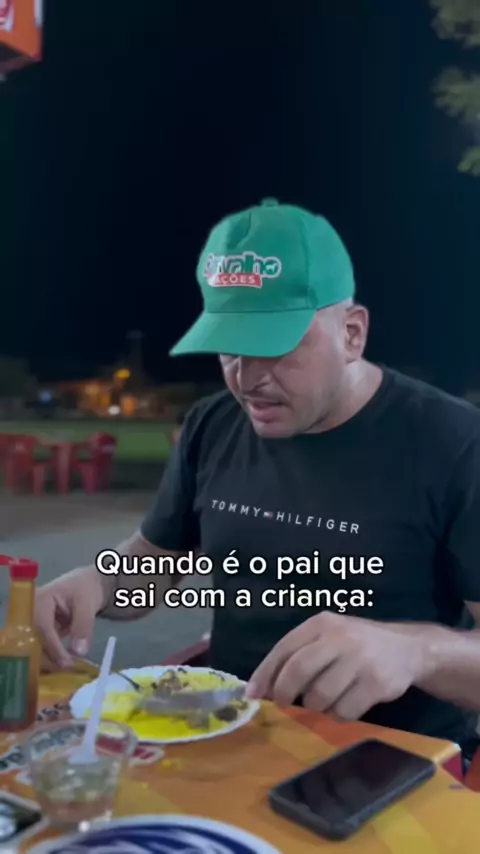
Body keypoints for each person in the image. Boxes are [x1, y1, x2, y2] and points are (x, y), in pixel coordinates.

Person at [36, 198, 480, 764]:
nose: (246, 379)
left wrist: (417, 652)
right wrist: (97, 582)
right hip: (226, 736)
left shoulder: (455, 444)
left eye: (275, 345)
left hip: (395, 764)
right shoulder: (213, 423)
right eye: (230, 348)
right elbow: (159, 561)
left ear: (351, 333)